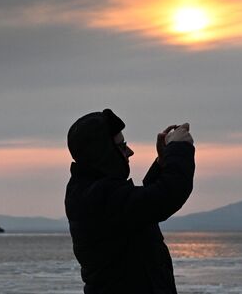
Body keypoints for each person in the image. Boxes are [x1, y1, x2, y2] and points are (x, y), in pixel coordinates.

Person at [65, 108, 195, 294]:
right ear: (104, 152)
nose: (130, 151)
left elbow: (141, 208)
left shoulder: (89, 190)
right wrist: (179, 149)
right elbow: (166, 196)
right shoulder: (100, 196)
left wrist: (161, 162)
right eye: (121, 145)